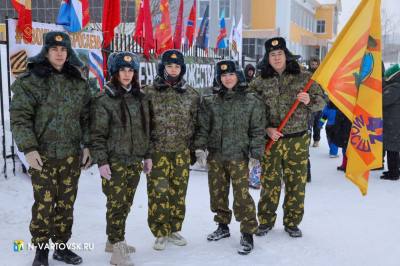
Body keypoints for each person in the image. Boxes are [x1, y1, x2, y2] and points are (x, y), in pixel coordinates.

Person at [10, 31, 91, 266]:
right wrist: (29, 148)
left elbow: (87, 117)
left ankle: (62, 247)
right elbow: (20, 118)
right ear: (46, 51)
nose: (59, 53)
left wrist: (86, 146)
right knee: (44, 203)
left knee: (66, 203)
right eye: (55, 49)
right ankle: (41, 249)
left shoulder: (78, 81)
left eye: (63, 50)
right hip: (42, 155)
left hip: (70, 155)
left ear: (68, 53)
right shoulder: (30, 81)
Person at [249, 37, 325, 238]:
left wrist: (309, 100)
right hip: (272, 140)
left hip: (297, 140)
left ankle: (292, 222)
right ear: (268, 58)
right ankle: (265, 221)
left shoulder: (303, 77)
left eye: (279, 54)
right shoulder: (259, 81)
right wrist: (266, 129)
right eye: (272, 55)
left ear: (286, 54)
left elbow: (322, 101)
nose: (276, 58)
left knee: (296, 183)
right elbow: (251, 110)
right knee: (269, 183)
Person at [194, 60, 266, 255]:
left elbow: (258, 130)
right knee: (217, 193)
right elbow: (203, 127)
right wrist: (200, 148)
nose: (227, 78)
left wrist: (256, 155)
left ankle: (247, 232)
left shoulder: (251, 100)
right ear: (219, 78)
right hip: (216, 155)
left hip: (240, 156)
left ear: (238, 76)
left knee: (242, 196)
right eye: (223, 75)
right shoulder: (210, 101)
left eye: (231, 74)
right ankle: (222, 226)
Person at [90, 51, 152, 265]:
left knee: (126, 203)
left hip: (134, 160)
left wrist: (147, 156)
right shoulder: (104, 99)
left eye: (130, 70)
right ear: (114, 72)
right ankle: (117, 249)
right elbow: (96, 134)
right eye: (122, 70)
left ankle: (113, 241)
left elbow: (146, 129)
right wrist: (102, 161)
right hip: (115, 161)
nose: (126, 74)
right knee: (116, 204)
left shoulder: (140, 97)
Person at [144, 49, 200, 250]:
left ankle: (174, 228)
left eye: (177, 66)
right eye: (169, 65)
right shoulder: (149, 93)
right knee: (158, 192)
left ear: (182, 69)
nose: (173, 69)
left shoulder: (191, 94)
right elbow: (145, 124)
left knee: (178, 192)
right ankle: (160, 231)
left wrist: (195, 149)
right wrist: (146, 152)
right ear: (163, 67)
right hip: (157, 152)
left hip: (181, 152)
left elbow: (196, 124)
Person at [381, 64, 400, 180]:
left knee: (392, 147)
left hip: (393, 123)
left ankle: (393, 173)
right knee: (394, 147)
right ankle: (395, 170)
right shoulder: (395, 86)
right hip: (394, 121)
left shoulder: (395, 88)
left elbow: (382, 100)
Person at [308, 57, 323, 147]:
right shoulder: (307, 74)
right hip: (309, 101)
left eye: (315, 64)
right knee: (309, 123)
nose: (313, 66)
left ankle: (316, 140)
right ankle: (308, 140)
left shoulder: (320, 74)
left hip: (318, 101)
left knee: (317, 123)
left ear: (318, 64)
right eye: (312, 64)